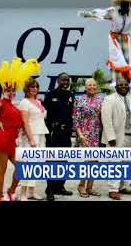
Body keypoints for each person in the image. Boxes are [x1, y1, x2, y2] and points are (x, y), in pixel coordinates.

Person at [0, 57, 40, 201]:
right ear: (4, 89)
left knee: (21, 168)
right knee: (1, 170)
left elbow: (20, 122)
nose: (11, 90)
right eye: (8, 88)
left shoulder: (14, 105)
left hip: (12, 141)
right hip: (1, 139)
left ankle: (11, 190)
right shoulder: (1, 103)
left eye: (13, 88)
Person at [101, 76, 131, 200]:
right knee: (115, 164)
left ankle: (122, 186)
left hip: (129, 137)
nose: (124, 87)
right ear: (116, 87)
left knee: (126, 164)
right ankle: (113, 189)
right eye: (121, 85)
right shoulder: (109, 99)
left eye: (126, 85)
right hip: (115, 138)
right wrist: (110, 137)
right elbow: (106, 119)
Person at [43, 72, 75, 201]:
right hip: (54, 133)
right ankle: (49, 190)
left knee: (64, 161)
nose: (65, 82)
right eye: (63, 80)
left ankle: (60, 186)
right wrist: (48, 134)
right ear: (58, 81)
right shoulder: (50, 94)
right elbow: (46, 116)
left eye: (67, 80)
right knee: (52, 161)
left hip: (66, 133)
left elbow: (70, 114)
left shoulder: (71, 94)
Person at [17, 77, 49, 201]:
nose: (35, 88)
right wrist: (30, 139)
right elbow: (25, 122)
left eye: (36, 86)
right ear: (27, 88)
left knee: (37, 163)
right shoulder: (24, 102)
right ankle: (23, 194)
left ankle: (31, 191)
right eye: (32, 86)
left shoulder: (39, 102)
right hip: (31, 136)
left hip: (41, 134)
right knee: (28, 163)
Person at [73, 78, 104, 198]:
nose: (92, 87)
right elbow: (76, 119)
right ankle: (81, 185)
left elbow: (103, 118)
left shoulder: (101, 99)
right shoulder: (79, 100)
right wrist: (80, 135)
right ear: (85, 87)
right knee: (87, 161)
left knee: (95, 161)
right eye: (90, 85)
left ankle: (90, 187)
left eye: (94, 85)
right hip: (84, 134)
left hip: (96, 133)